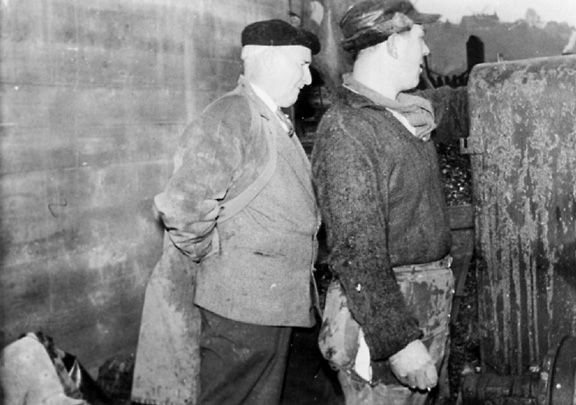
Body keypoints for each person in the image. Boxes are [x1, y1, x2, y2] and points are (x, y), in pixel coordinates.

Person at [131, 18, 321, 405]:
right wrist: (215, 257)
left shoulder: (269, 116)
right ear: (267, 58)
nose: (307, 79)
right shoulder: (232, 114)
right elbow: (183, 206)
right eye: (301, 65)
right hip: (242, 310)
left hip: (270, 305)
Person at [312, 1, 454, 404]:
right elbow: (356, 251)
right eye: (419, 38)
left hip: (420, 300)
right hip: (387, 315)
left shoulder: (395, 114)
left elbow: (452, 103)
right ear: (393, 43)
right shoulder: (349, 131)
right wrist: (398, 341)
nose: (426, 50)